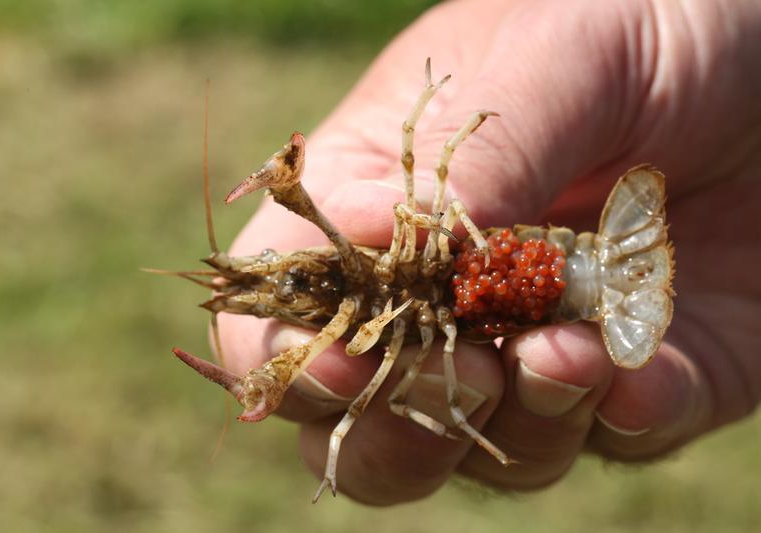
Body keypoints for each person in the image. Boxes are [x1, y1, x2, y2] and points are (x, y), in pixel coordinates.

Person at [216, 0, 761, 505]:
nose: (283, 280)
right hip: (487, 311)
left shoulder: (375, 240)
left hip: (549, 267)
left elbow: (422, 170)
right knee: (407, 389)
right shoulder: (341, 333)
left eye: (275, 265)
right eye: (277, 288)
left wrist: (442, 153)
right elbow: (400, 398)